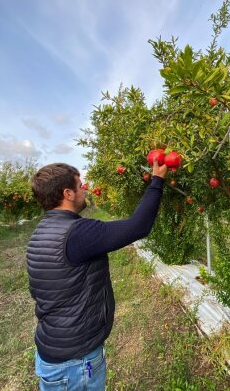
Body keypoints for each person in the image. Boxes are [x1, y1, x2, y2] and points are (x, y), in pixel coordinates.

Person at [27, 159, 167, 390]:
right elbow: (139, 226)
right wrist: (157, 180)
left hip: (53, 351)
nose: (85, 189)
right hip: (76, 360)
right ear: (68, 193)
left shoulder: (40, 234)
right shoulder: (77, 233)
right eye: (80, 185)